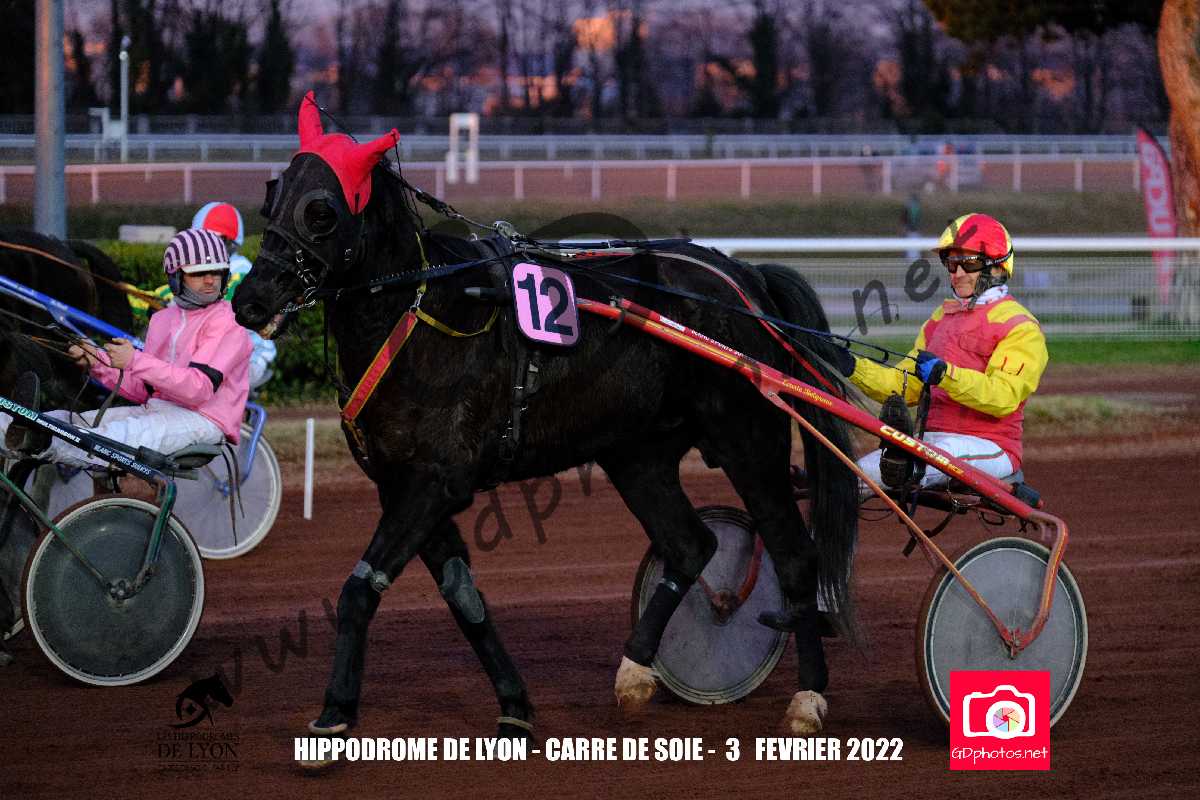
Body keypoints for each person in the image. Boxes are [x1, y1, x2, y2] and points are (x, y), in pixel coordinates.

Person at [2, 228, 253, 468]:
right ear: (176, 276)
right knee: (68, 421)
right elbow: (144, 390)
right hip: (157, 410)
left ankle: (39, 440)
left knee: (113, 435)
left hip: (205, 420)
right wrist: (97, 361)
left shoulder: (229, 324)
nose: (210, 280)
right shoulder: (163, 320)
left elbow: (198, 389)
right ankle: (14, 428)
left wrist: (135, 361)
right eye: (199, 273)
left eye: (216, 272)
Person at [840, 213, 1048, 492]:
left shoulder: (1021, 327)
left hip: (990, 446)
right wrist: (851, 366)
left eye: (969, 263)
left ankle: (905, 462)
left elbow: (1003, 397)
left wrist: (945, 375)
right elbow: (903, 385)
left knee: (921, 460)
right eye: (951, 263)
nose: (957, 273)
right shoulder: (941, 318)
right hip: (930, 443)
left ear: (998, 267)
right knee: (848, 480)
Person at [128, 203, 277, 390]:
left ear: (229, 243)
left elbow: (206, 301)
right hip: (222, 352)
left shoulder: (240, 272)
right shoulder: (213, 267)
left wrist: (162, 304)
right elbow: (165, 294)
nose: (202, 245)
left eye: (210, 239)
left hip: (251, 360)